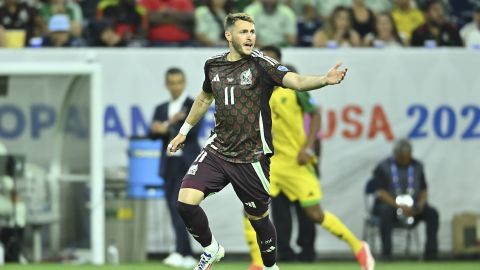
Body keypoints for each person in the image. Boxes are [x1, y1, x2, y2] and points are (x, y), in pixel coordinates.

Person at [167, 12, 360, 270]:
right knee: (185, 202)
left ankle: (270, 266)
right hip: (218, 150)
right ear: (228, 36)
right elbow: (203, 98)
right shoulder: (213, 65)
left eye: (252, 31)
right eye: (244, 31)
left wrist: (324, 80)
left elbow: (297, 81)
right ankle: (212, 249)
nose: (250, 37)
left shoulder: (261, 64)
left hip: (252, 157)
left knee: (258, 219)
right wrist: (184, 131)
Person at [242, 47, 317, 270]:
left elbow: (315, 114)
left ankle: (307, 252)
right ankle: (280, 253)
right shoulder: (257, 88)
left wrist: (309, 147)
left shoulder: (293, 83)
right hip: (274, 161)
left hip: (298, 160)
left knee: (307, 210)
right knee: (277, 212)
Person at [150, 68, 201, 268]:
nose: (175, 86)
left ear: (184, 82)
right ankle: (186, 254)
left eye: (179, 82)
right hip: (169, 163)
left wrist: (168, 128)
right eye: (171, 82)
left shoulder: (192, 105)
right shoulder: (161, 108)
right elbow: (152, 132)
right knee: (173, 208)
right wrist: (164, 127)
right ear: (166, 84)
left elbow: (193, 132)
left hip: (186, 164)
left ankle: (180, 251)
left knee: (181, 207)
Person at [372, 139, 439, 260]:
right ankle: (386, 253)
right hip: (391, 206)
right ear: (395, 154)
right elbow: (381, 192)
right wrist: (400, 206)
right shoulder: (383, 167)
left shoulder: (417, 166)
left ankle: (431, 253)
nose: (405, 160)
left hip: (413, 206)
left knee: (432, 214)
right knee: (385, 212)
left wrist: (420, 204)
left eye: (407, 157)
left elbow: (424, 189)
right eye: (401, 157)